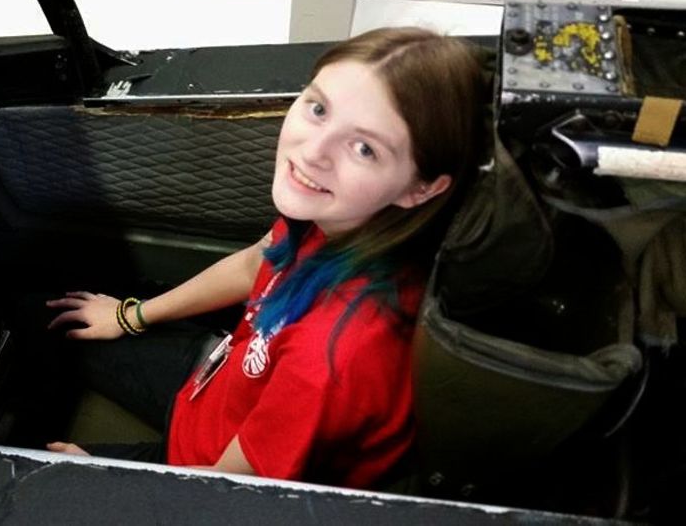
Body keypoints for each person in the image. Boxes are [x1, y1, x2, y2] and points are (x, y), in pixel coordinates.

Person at [44, 27, 486, 488]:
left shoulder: (332, 359)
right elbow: (257, 261)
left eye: (364, 148)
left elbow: (223, 491)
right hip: (217, 382)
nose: (312, 153)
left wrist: (102, 482)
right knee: (44, 320)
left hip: (204, 463)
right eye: (318, 109)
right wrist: (128, 315)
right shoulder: (336, 218)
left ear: (422, 189)